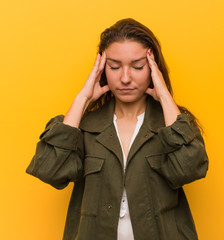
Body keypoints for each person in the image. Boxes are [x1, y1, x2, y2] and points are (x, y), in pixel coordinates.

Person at [26, 18, 209, 240]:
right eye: (114, 66)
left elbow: (189, 169)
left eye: (138, 66)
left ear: (153, 68)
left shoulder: (174, 125)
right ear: (102, 68)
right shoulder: (84, 128)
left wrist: (164, 97)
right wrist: (82, 99)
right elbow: (51, 171)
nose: (125, 78)